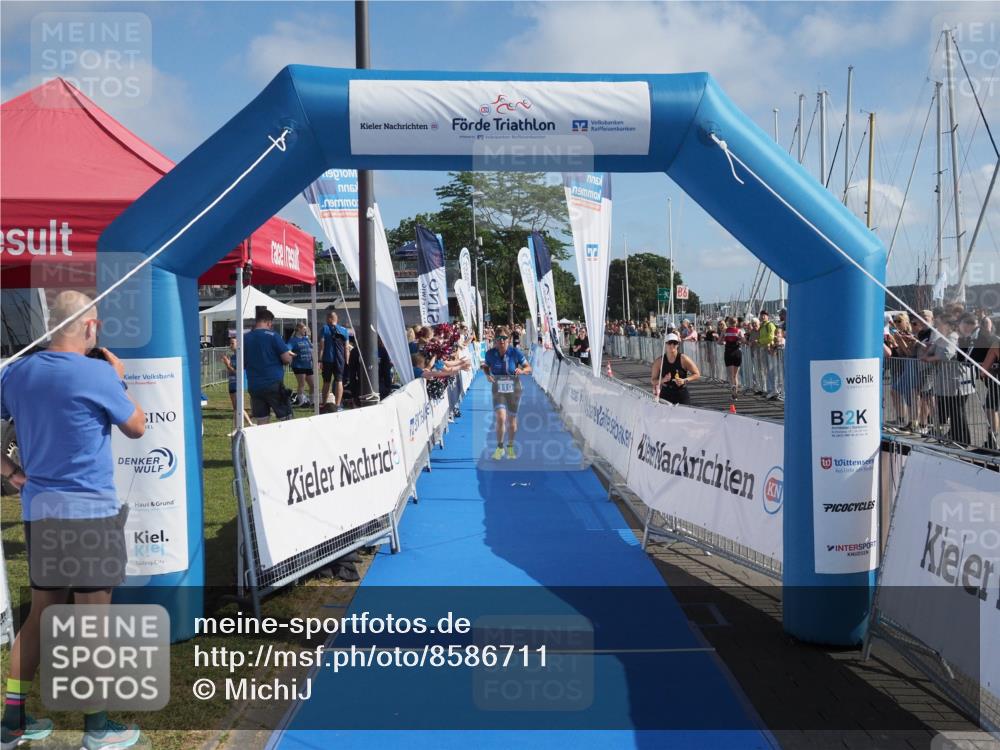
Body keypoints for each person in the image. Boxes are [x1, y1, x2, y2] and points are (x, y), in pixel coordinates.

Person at [0, 291, 147, 750]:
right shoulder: (98, 373)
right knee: (92, 623)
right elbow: (137, 426)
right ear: (90, 327)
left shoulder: (17, 373)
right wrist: (119, 380)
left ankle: (12, 723)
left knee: (41, 615)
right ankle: (98, 728)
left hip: (40, 512)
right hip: (90, 516)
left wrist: (11, 474)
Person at [481, 327, 532, 460]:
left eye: (504, 338)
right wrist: (487, 375)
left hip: (514, 388)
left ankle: (510, 446)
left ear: (509, 340)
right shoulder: (490, 354)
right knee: (501, 418)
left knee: (512, 420)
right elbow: (485, 366)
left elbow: (529, 367)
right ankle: (499, 447)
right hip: (498, 388)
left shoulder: (515, 352)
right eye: (499, 339)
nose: (502, 341)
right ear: (495, 341)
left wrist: (522, 371)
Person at [244, 307, 294, 424]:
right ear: (269, 322)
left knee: (262, 421)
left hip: (254, 385)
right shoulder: (273, 335)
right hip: (273, 383)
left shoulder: (245, 338)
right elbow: (286, 359)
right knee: (286, 419)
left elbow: (243, 362)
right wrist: (291, 357)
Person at [651, 332, 701, 405]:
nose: (672, 345)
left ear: (678, 345)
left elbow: (697, 374)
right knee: (665, 416)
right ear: (666, 344)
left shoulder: (684, 359)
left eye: (675, 343)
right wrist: (663, 380)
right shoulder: (659, 361)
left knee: (684, 415)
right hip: (666, 393)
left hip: (681, 393)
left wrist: (684, 380)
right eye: (670, 343)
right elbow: (653, 380)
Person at [318, 310, 351, 411]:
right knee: (339, 381)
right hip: (340, 360)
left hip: (327, 360)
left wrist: (320, 360)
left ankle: (324, 404)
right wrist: (347, 361)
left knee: (326, 382)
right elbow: (347, 348)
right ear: (337, 319)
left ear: (329, 319)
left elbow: (322, 347)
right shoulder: (344, 330)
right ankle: (337, 405)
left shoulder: (324, 328)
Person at [221, 336, 253, 434]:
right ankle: (250, 424)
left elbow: (237, 372)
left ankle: (236, 429)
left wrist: (227, 365)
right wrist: (227, 365)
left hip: (238, 383)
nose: (230, 345)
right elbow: (231, 371)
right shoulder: (233, 356)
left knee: (237, 407)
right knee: (237, 407)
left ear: (238, 344)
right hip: (231, 382)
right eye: (230, 343)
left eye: (232, 343)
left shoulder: (241, 356)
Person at [286, 322, 315, 408]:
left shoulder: (306, 339)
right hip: (298, 365)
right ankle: (301, 402)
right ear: (298, 329)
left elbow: (312, 348)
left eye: (306, 330)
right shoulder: (293, 340)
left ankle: (312, 402)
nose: (305, 331)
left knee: (312, 385)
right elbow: (287, 349)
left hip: (308, 365)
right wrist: (293, 355)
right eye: (304, 329)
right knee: (302, 384)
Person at [757, 310, 779, 398]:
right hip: (764, 348)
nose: (763, 317)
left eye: (764, 315)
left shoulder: (770, 325)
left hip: (770, 349)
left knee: (772, 370)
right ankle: (770, 389)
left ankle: (775, 390)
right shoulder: (762, 326)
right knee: (766, 370)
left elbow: (771, 337)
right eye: (762, 315)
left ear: (767, 316)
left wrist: (760, 341)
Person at [721, 316, 744, 400]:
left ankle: (733, 392)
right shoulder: (739, 331)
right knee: (735, 375)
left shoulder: (724, 331)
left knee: (730, 375)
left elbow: (719, 342)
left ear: (728, 323)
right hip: (737, 352)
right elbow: (743, 340)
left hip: (728, 352)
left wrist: (724, 341)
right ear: (736, 323)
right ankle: (736, 394)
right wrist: (738, 340)